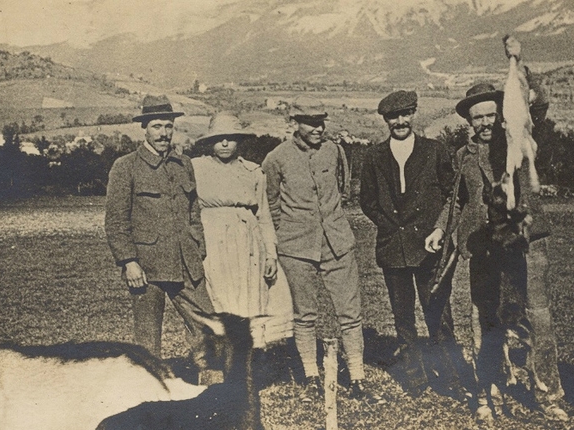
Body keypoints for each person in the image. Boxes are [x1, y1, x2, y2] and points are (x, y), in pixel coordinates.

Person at [443, 36, 569, 423]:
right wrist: (453, 235)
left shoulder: (515, 140)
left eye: (489, 114)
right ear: (468, 121)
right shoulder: (462, 157)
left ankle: (548, 395)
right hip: (484, 248)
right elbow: (459, 201)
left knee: (538, 317)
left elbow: (539, 104)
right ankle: (489, 389)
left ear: (501, 114)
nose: (483, 123)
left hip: (527, 242)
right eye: (476, 117)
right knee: (485, 317)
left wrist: (518, 63)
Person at [263, 103, 384, 404]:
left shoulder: (335, 152)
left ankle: (357, 379)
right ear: (295, 123)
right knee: (304, 315)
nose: (317, 129)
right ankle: (311, 378)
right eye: (310, 123)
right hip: (296, 246)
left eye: (321, 123)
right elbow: (270, 202)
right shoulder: (276, 158)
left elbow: (342, 190)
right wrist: (288, 231)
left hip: (337, 242)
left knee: (350, 313)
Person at [359, 90, 467, 393]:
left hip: (429, 247)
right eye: (393, 117)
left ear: (414, 114)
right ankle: (415, 380)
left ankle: (452, 379)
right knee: (403, 319)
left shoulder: (435, 151)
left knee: (439, 316)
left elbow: (453, 195)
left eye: (405, 114)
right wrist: (390, 226)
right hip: (393, 249)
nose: (400, 121)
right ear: (385, 120)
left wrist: (439, 229)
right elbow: (367, 201)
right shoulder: (374, 156)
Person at [105, 94, 216, 382]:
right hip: (147, 267)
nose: (163, 133)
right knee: (147, 337)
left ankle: (212, 389)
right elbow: (116, 220)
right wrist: (129, 262)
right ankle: (149, 392)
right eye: (156, 126)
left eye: (168, 126)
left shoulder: (184, 164)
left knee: (208, 326)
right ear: (144, 128)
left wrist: (197, 246)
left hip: (185, 262)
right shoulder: (125, 166)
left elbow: (194, 211)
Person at [192, 112, 293, 348]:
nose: (225, 144)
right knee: (221, 301)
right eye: (219, 139)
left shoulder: (253, 172)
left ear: (240, 140)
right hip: (213, 245)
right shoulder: (196, 169)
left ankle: (252, 360)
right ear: (210, 142)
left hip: (248, 246)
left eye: (231, 138)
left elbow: (264, 216)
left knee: (250, 299)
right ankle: (222, 362)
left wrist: (270, 253)